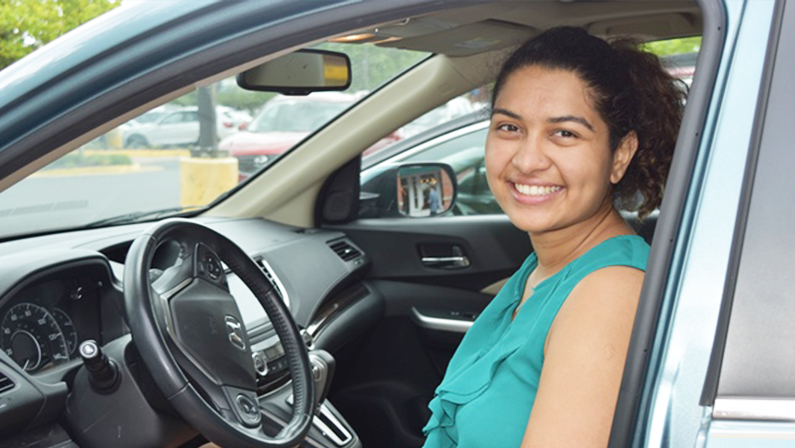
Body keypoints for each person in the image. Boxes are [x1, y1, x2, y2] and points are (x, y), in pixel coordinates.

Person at [422, 27, 685, 448]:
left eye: (564, 133)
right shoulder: (546, 266)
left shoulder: (608, 292)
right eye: (509, 127)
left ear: (620, 155)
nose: (527, 160)